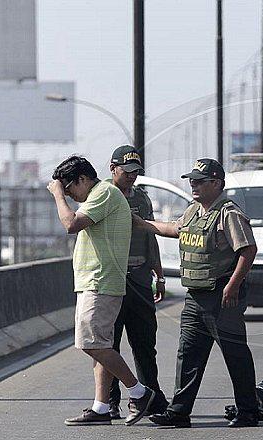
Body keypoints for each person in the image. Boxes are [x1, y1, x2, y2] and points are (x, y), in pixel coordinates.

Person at [135, 158, 259, 428]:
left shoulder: (229, 213)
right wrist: (143, 224)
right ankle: (178, 412)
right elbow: (175, 229)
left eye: (200, 180)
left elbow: (248, 250)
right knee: (188, 354)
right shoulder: (193, 211)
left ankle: (248, 411)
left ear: (217, 183)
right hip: (195, 296)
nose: (193, 184)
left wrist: (233, 285)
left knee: (234, 353)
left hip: (222, 295)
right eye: (192, 180)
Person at [48, 156, 156, 426]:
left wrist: (57, 196)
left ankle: (139, 393)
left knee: (91, 343)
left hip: (101, 281)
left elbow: (70, 224)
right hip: (95, 281)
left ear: (83, 179)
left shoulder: (104, 192)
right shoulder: (100, 195)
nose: (71, 195)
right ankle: (102, 406)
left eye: (71, 188)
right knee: (102, 345)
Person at [106, 145, 169, 419]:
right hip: (111, 280)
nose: (132, 176)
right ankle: (109, 401)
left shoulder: (142, 199)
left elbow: (150, 236)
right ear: (113, 169)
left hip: (140, 278)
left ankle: (150, 397)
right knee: (109, 344)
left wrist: (159, 273)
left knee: (145, 343)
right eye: (127, 171)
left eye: (136, 172)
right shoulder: (102, 196)